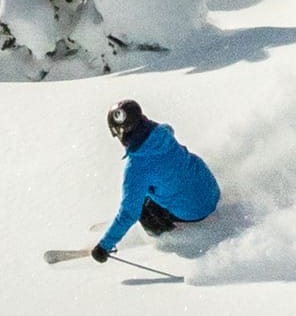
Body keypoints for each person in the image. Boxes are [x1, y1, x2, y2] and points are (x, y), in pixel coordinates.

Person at [92, 99, 221, 263]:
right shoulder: (163, 133)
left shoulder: (137, 168)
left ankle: (172, 237)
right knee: (159, 181)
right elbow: (166, 130)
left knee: (141, 209)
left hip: (194, 212)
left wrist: (104, 246)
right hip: (211, 190)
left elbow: (129, 213)